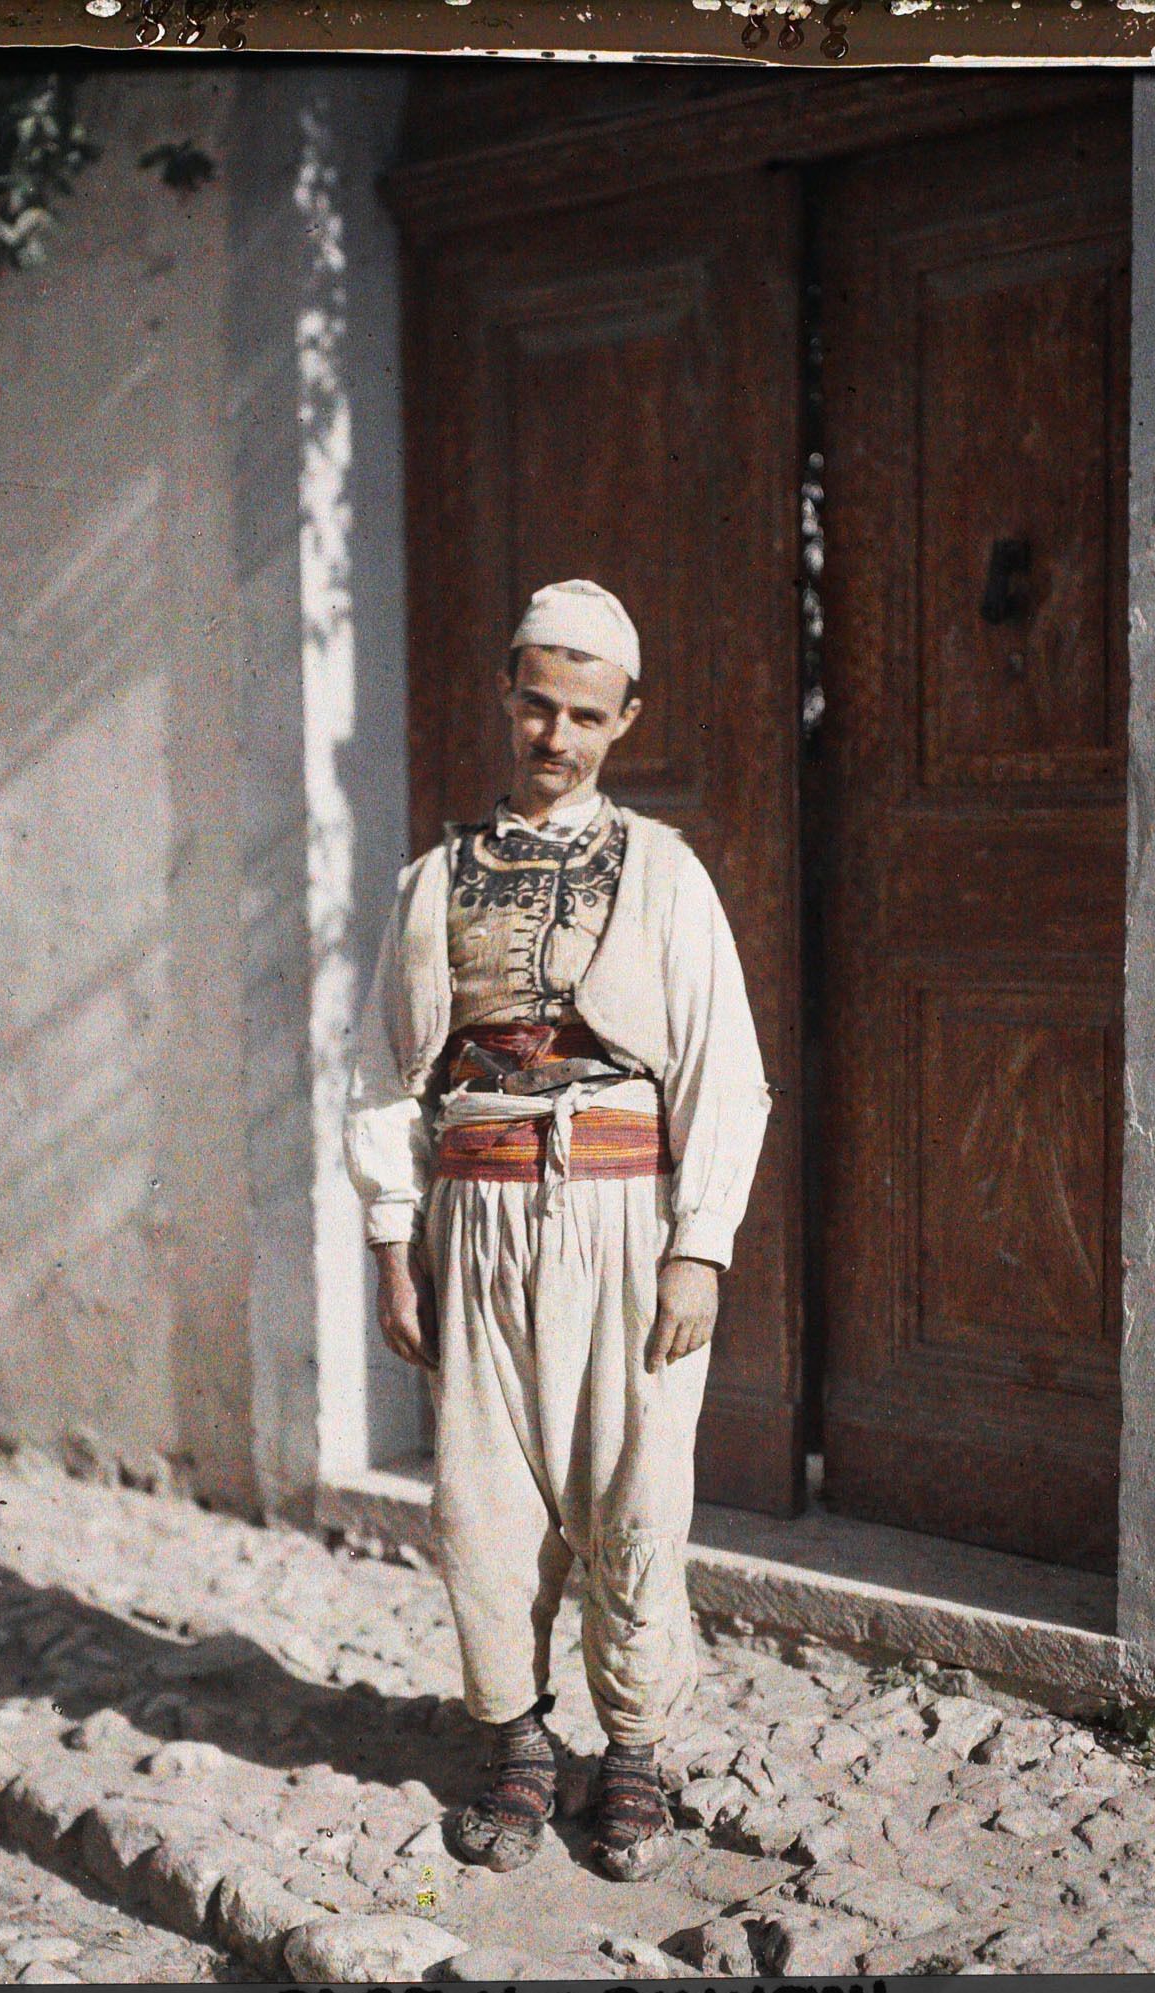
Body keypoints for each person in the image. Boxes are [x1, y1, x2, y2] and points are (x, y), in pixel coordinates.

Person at [343, 579, 771, 1882]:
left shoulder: (666, 874)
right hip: (477, 1221)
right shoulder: (433, 882)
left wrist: (699, 1245)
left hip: (626, 1217)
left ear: (624, 719)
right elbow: (383, 1077)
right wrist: (393, 1246)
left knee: (637, 1494)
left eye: (587, 715)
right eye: (538, 706)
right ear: (506, 698)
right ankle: (518, 1745)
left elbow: (725, 1071)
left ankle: (633, 1749)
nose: (557, 736)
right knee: (483, 1501)